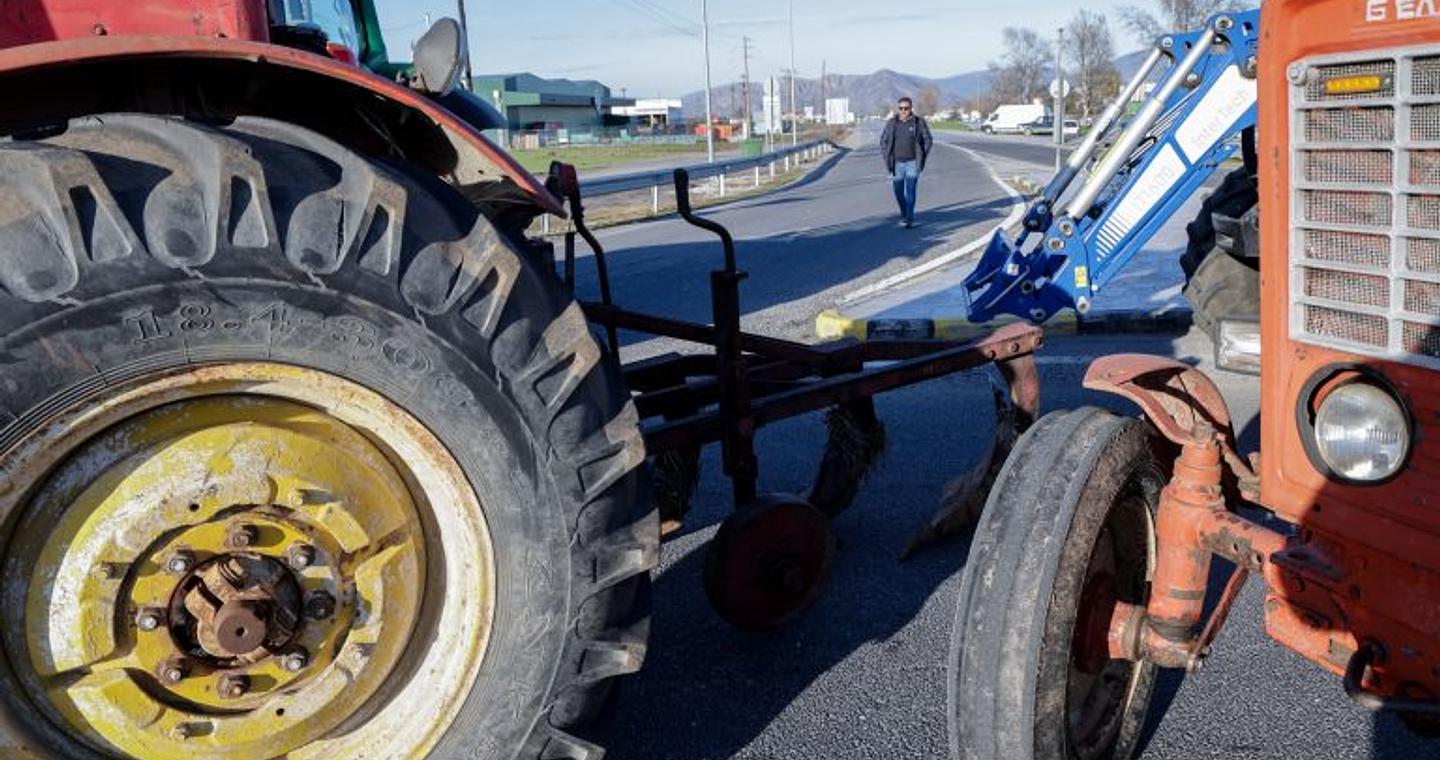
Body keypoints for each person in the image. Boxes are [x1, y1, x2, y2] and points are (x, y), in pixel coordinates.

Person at [880, 96, 933, 228]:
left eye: (906, 108)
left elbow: (928, 139)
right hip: (897, 164)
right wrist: (886, 155)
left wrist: (922, 154)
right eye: (901, 108)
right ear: (898, 109)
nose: (903, 111)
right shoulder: (892, 123)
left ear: (911, 108)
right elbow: (883, 140)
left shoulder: (918, 122)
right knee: (898, 192)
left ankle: (909, 218)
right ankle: (904, 212)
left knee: (910, 191)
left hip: (912, 163)